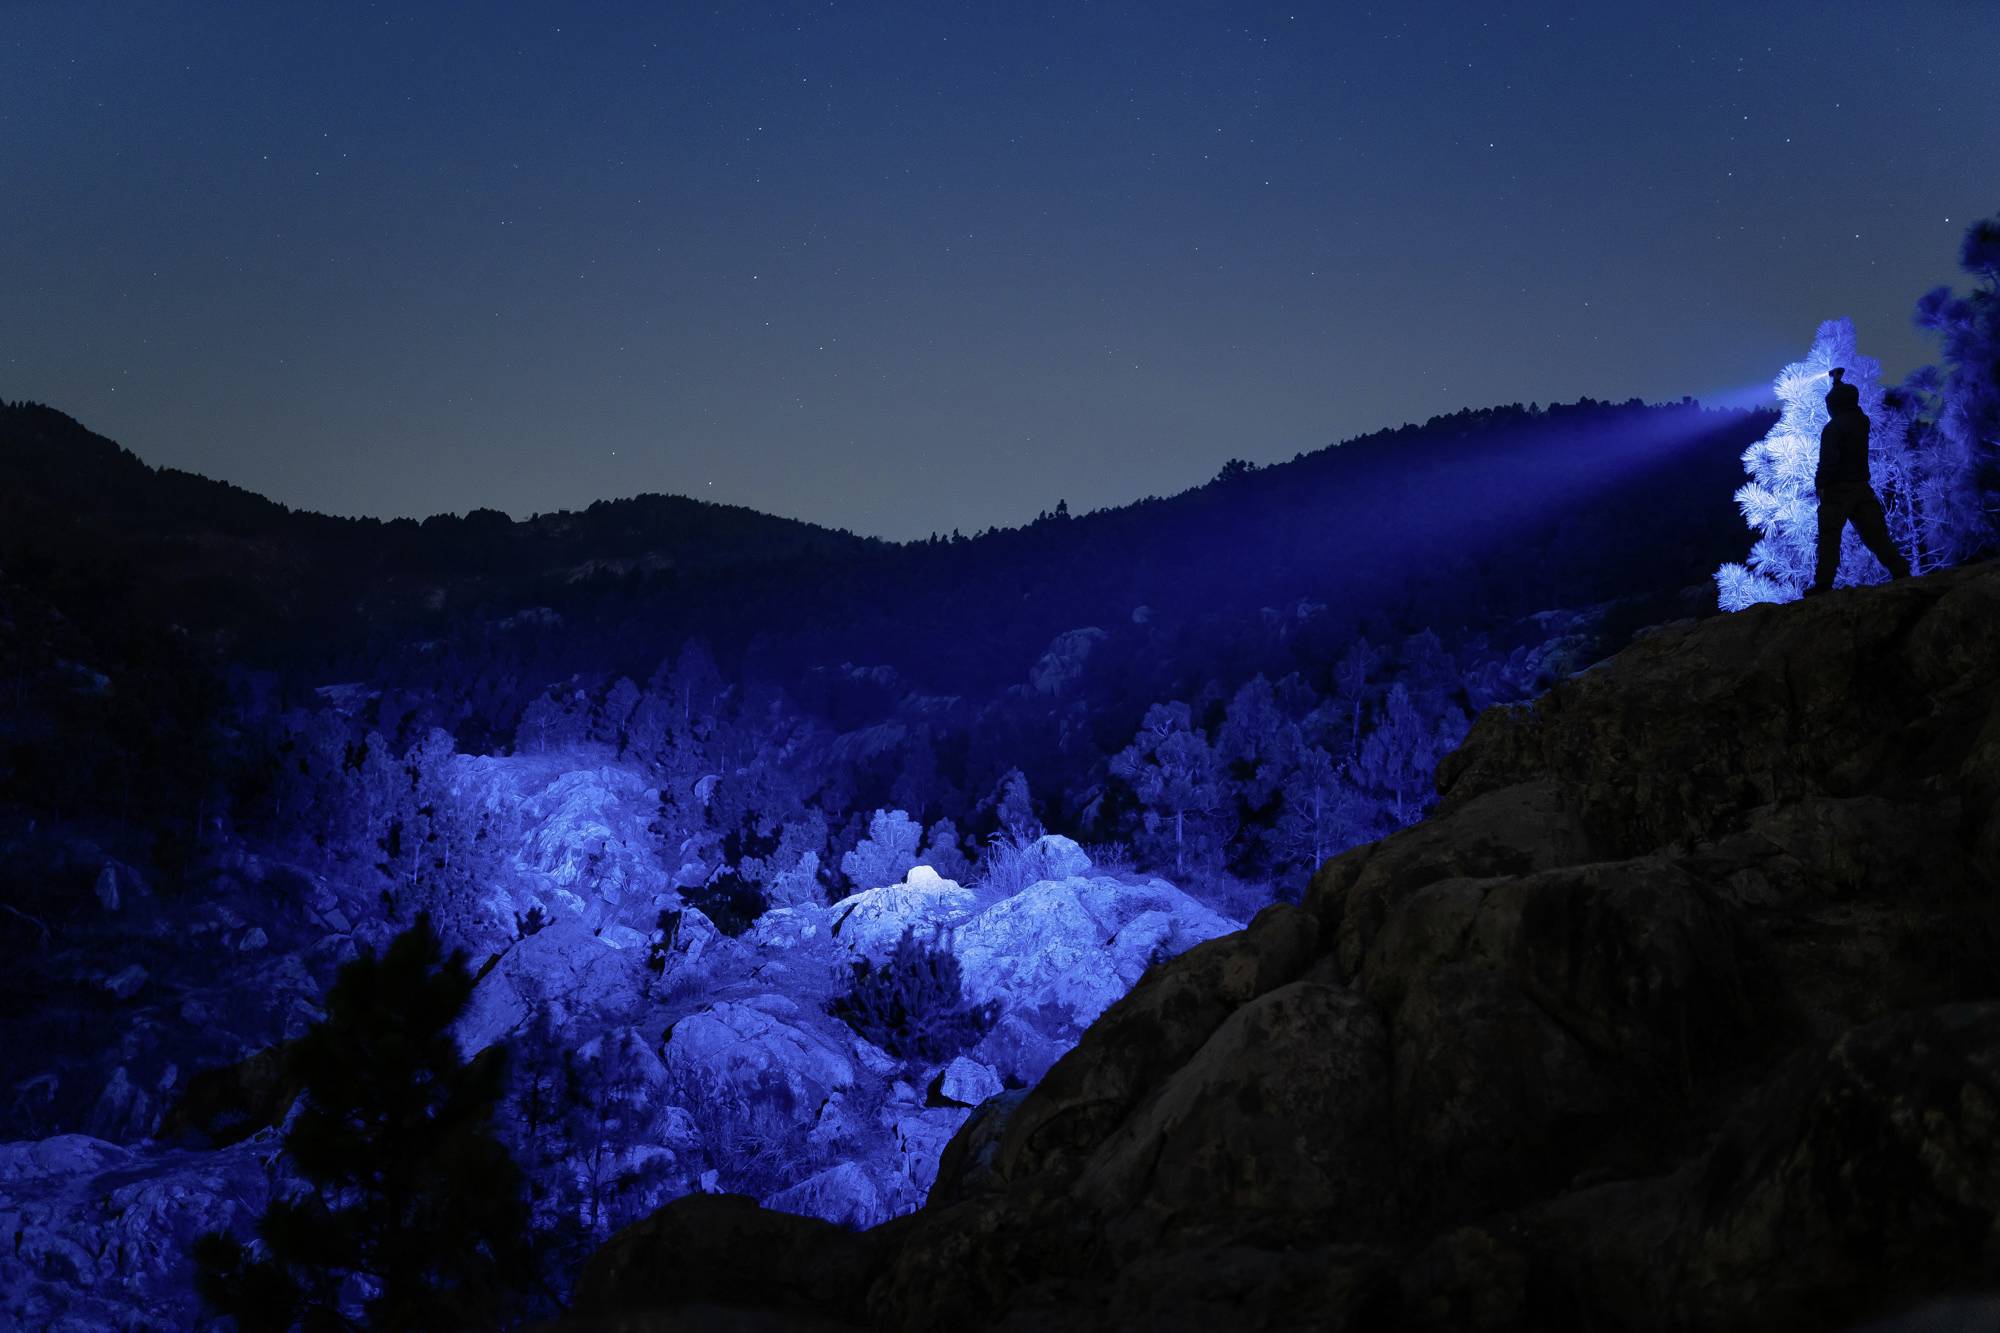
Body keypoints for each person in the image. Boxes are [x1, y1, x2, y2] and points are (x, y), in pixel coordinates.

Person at [1808, 367, 1910, 594]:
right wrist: (1838, 385)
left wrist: (1821, 484)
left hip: (1837, 491)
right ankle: (1901, 571)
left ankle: (1823, 584)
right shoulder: (1861, 423)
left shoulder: (1832, 428)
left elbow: (1828, 461)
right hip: (1862, 489)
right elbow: (1849, 408)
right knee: (1876, 535)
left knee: (1829, 538)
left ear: (1833, 405)